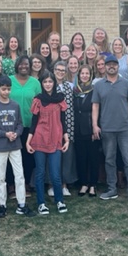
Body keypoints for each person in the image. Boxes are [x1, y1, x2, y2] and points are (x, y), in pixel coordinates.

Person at [92, 54, 128, 203]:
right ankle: (111, 189)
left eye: (114, 64)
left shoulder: (126, 83)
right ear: (104, 67)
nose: (111, 66)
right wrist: (95, 125)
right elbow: (95, 106)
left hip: (125, 128)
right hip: (107, 128)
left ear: (118, 66)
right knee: (109, 160)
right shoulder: (99, 85)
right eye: (109, 64)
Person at [0, 75, 36, 218]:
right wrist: (4, 134)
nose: (6, 92)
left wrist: (16, 133)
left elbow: (20, 124)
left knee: (19, 175)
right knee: (0, 177)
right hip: (0, 146)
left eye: (8, 89)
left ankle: (22, 204)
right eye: (3, 89)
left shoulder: (15, 105)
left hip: (15, 145)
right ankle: (2, 205)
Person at [26, 71, 69, 215]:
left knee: (56, 174)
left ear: (54, 83)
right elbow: (34, 122)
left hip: (56, 139)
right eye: (45, 82)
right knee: (40, 172)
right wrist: (28, 141)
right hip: (39, 139)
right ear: (41, 84)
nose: (48, 84)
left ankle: (59, 200)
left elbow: (63, 121)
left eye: (50, 82)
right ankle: (41, 203)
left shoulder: (60, 99)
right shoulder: (38, 100)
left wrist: (66, 138)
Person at [10, 55, 42, 192]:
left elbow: (40, 104)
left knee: (28, 157)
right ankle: (11, 184)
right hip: (11, 126)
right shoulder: (10, 81)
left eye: (26, 64)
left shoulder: (35, 83)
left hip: (30, 125)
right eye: (21, 64)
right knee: (12, 156)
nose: (24, 66)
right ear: (17, 65)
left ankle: (27, 183)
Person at [73, 64, 99, 197]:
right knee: (81, 158)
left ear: (91, 75)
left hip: (91, 128)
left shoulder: (94, 90)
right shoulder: (75, 91)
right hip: (77, 130)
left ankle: (93, 185)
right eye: (82, 73)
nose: (84, 76)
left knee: (93, 158)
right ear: (79, 75)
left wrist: (96, 126)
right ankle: (84, 184)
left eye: (87, 74)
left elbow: (97, 109)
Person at [53, 61, 76, 196]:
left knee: (67, 156)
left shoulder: (69, 86)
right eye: (58, 69)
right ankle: (52, 184)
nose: (60, 72)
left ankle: (64, 184)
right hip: (53, 124)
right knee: (53, 154)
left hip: (68, 123)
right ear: (54, 70)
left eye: (63, 70)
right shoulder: (49, 84)